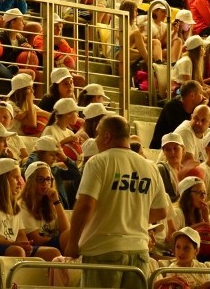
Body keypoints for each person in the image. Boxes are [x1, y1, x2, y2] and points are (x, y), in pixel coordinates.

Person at [65, 115, 168, 288]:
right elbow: (161, 211)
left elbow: (85, 205)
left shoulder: (99, 162)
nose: (95, 139)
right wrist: (132, 218)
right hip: (139, 251)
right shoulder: (150, 167)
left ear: (107, 136)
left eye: (98, 134)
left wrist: (72, 243)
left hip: (104, 250)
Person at [18, 161, 71, 252]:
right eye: (40, 179)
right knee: (72, 236)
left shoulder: (51, 201)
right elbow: (36, 240)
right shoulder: (23, 205)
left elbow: (65, 229)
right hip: (39, 246)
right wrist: (60, 239)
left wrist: (56, 202)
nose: (45, 183)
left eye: (48, 179)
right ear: (30, 182)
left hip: (52, 242)